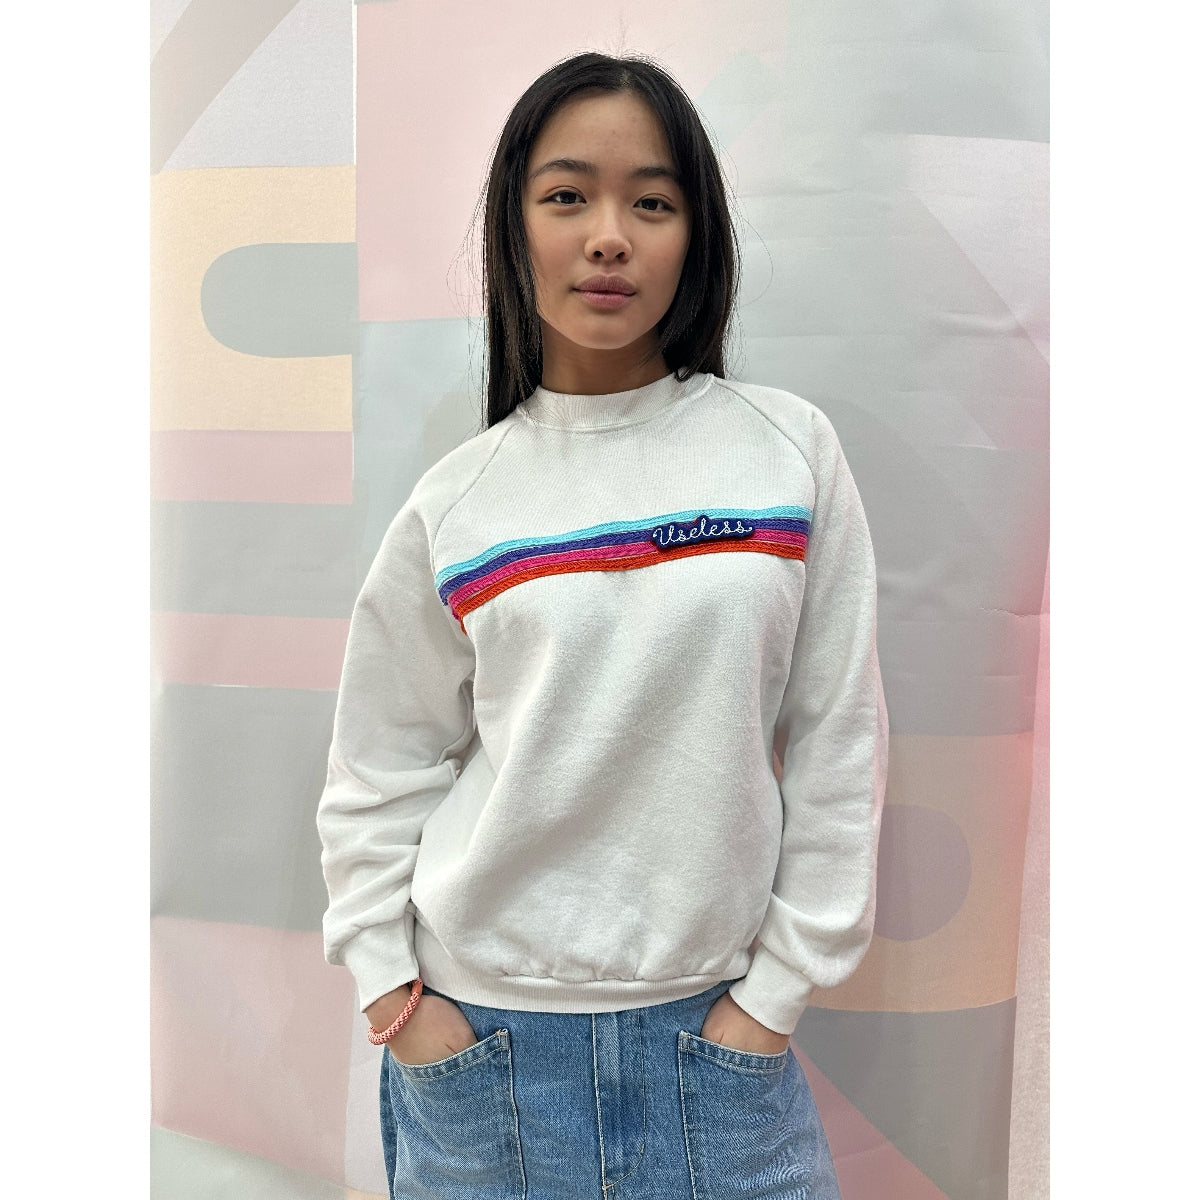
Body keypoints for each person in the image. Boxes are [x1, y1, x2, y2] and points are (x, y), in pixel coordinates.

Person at [316, 49, 889, 1200]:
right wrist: (390, 990)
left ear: (697, 236)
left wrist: (774, 997)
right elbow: (378, 767)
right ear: (513, 226)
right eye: (568, 195)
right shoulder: (460, 502)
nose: (610, 237)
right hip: (482, 1059)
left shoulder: (786, 454)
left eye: (653, 203)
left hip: (718, 1057)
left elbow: (839, 739)